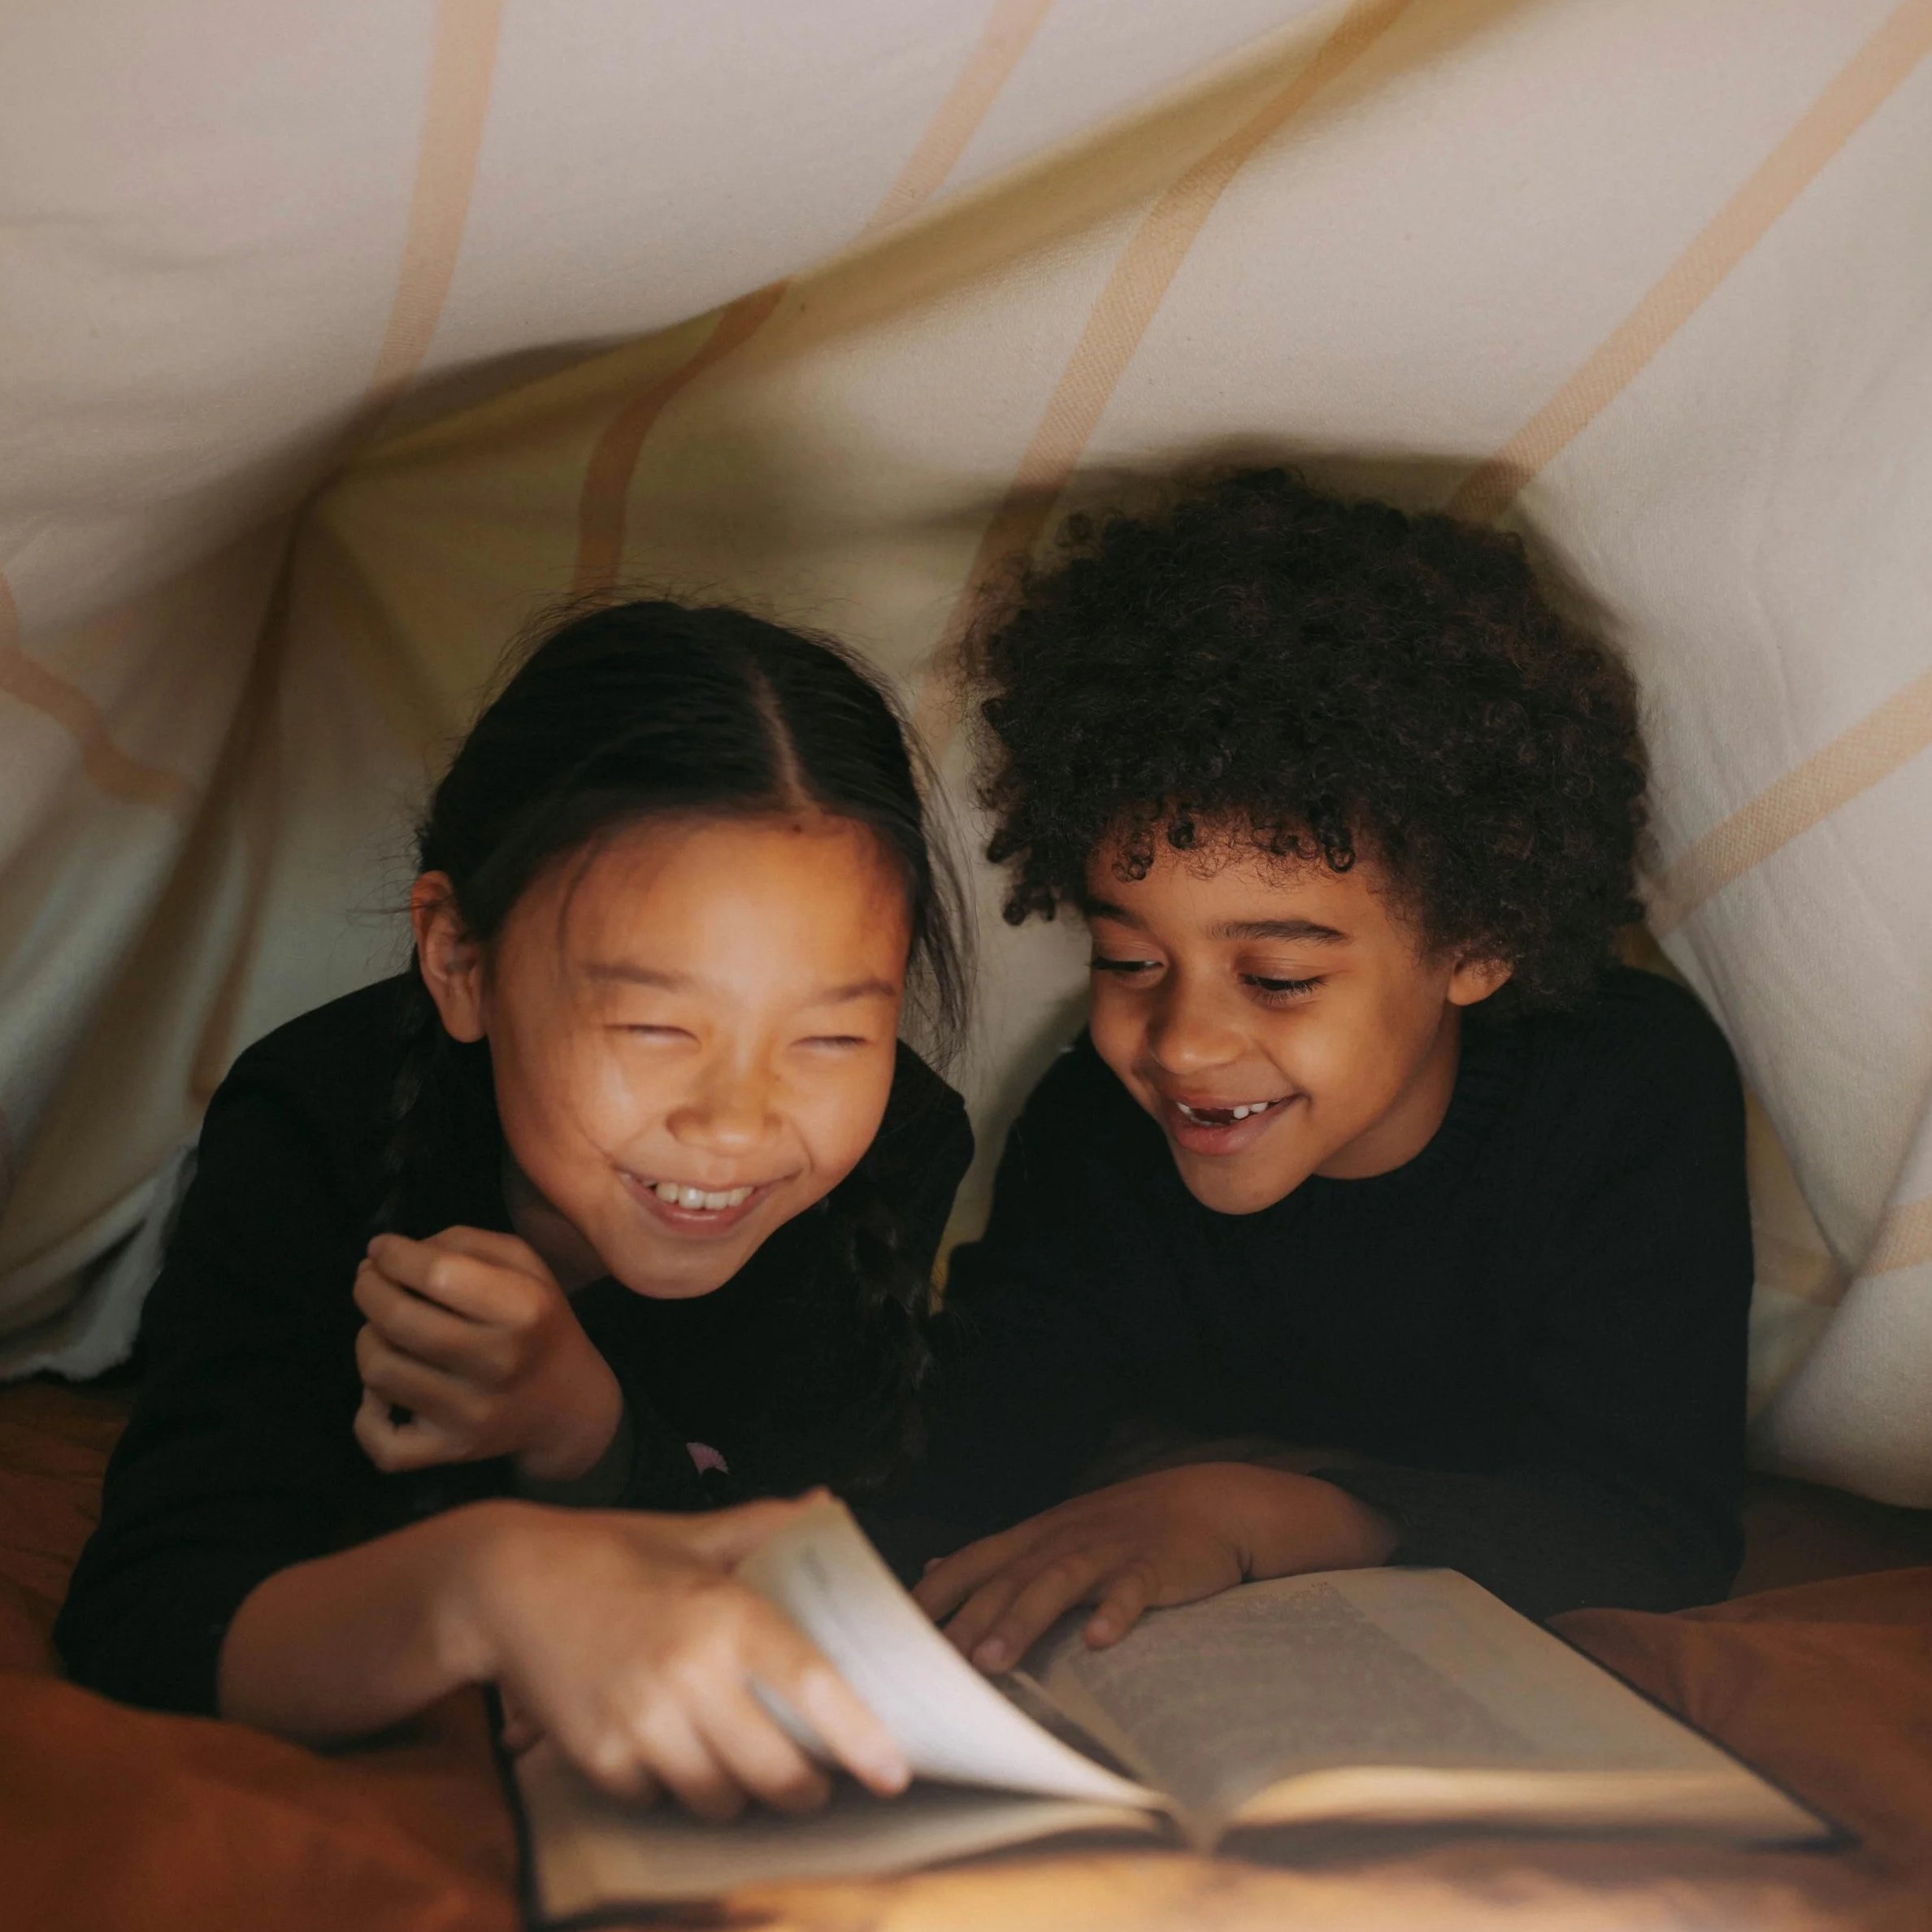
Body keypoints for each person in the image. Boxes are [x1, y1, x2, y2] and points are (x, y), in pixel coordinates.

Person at [58, 599, 974, 1821]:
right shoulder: (312, 1125)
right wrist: (480, 1585)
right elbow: (155, 1613)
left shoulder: (890, 1149)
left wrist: (581, 1431)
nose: (739, 1120)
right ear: (457, 958)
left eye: (831, 1034)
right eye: (655, 1026)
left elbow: (819, 1538)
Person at [906, 468, 1752, 1676]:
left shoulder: (1621, 1093)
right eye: (1128, 957)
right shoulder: (1094, 1133)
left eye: (1280, 978)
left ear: (1476, 940)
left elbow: (1653, 1529)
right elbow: (965, 1469)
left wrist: (1256, 1514)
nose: (1184, 1042)